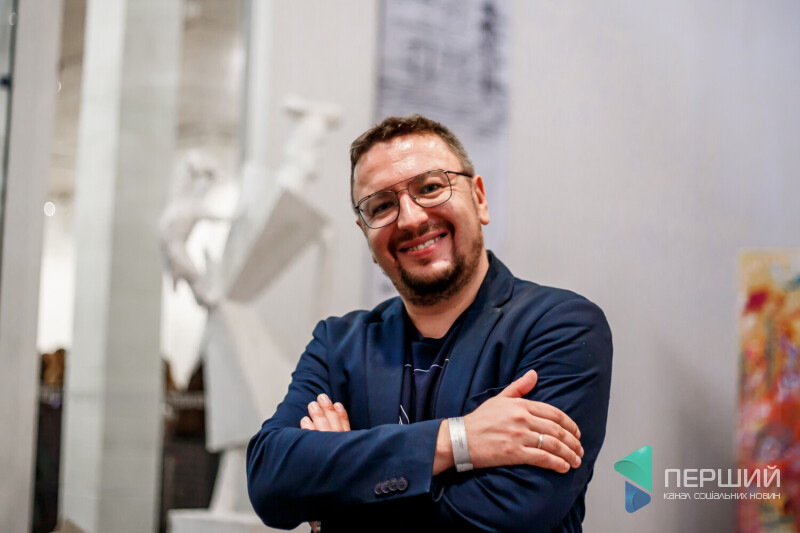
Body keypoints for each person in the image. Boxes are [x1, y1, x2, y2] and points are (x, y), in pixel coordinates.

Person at [246, 115, 613, 532]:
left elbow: (517, 514)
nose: (410, 218)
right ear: (365, 234)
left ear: (479, 198)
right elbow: (270, 479)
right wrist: (459, 440)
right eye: (381, 206)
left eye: (431, 188)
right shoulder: (338, 344)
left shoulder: (561, 327)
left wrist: (335, 504)